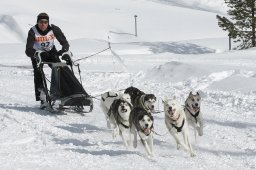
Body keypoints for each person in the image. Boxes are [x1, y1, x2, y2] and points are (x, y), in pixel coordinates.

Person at [25, 12, 72, 109]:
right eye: (41, 22)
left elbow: (64, 43)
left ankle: (65, 95)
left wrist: (64, 51)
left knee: (60, 70)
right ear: (37, 22)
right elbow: (28, 50)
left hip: (51, 52)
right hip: (37, 54)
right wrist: (36, 53)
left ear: (48, 22)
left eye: (45, 22)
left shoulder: (54, 29)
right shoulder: (33, 31)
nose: (43, 24)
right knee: (38, 73)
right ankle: (42, 99)